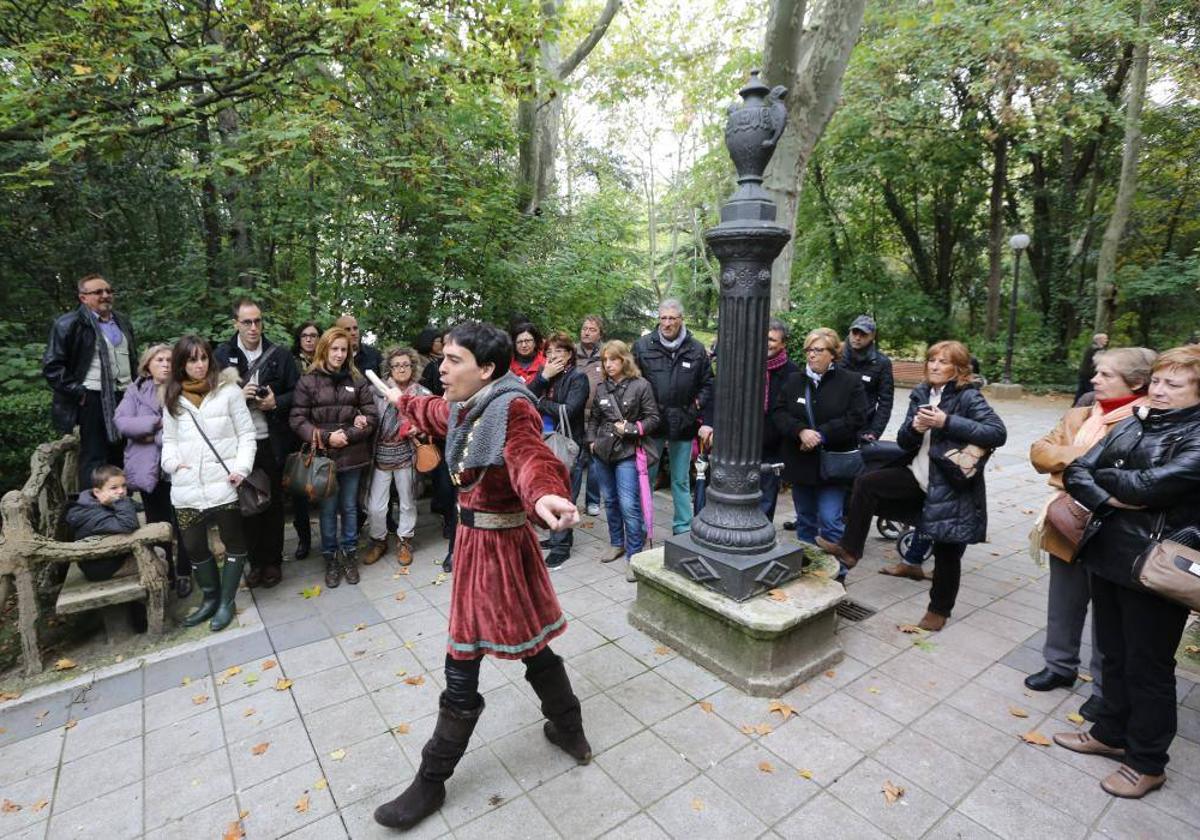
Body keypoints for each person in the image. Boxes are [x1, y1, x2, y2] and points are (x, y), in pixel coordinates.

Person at [372, 321, 588, 831]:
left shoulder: (511, 408)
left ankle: (431, 780)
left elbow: (530, 457)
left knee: (461, 661)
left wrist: (545, 495)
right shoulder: (472, 405)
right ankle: (571, 730)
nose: (440, 369)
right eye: (441, 358)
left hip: (495, 550)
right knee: (535, 646)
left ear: (486, 368)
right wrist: (403, 401)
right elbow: (435, 411)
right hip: (483, 547)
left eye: (452, 360)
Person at [1053, 345, 1200, 799]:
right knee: (1112, 654)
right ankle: (1109, 731)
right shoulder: (1137, 420)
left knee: (1148, 666)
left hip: (1156, 565)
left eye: (1173, 384)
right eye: (1156, 380)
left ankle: (1147, 761)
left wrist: (1113, 483)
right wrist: (1115, 494)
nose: (1158, 390)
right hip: (1109, 551)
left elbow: (1152, 486)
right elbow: (1078, 470)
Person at [818, 341, 1007, 630]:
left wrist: (946, 421)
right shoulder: (921, 393)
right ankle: (850, 549)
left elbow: (997, 432)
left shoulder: (968, 396)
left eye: (943, 362)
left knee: (947, 551)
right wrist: (915, 430)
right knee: (867, 483)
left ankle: (939, 611)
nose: (934, 366)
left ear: (958, 368)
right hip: (917, 475)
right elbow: (906, 441)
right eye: (932, 360)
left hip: (949, 483)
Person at [1025, 347, 1155, 722]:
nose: (1094, 380)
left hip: (1114, 529)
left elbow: (1124, 476)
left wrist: (1069, 461)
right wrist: (1087, 455)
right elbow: (1039, 454)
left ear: (1136, 382)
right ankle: (1059, 665)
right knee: (1063, 599)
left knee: (1109, 614)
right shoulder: (1082, 412)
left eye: (1105, 375)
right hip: (1066, 519)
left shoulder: (1148, 419)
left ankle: (1104, 688)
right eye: (1097, 373)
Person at [161, 335, 256, 632]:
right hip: (186, 486)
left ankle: (226, 602)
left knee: (234, 543)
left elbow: (246, 435)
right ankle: (209, 600)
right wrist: (172, 464)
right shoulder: (172, 398)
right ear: (181, 364)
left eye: (203, 358)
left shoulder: (228, 392)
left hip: (223, 482)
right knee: (193, 547)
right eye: (192, 359)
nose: (199, 365)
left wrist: (241, 468)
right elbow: (168, 440)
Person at [214, 299, 299, 588]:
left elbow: (297, 394)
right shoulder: (222, 356)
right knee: (245, 505)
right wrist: (239, 396)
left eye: (258, 321)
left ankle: (273, 562)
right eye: (247, 322)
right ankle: (256, 563)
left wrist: (276, 402)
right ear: (236, 323)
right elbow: (211, 400)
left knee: (273, 504)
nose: (253, 327)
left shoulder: (281, 355)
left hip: (270, 441)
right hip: (236, 445)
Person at [772, 328, 867, 580]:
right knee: (805, 519)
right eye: (809, 350)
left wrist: (821, 434)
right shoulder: (794, 380)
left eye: (818, 350)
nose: (812, 355)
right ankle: (809, 569)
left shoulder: (850, 381)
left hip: (833, 464)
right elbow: (779, 413)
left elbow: (856, 417)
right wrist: (801, 431)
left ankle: (839, 573)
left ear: (833, 354)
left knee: (831, 519)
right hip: (801, 463)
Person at [289, 327, 378, 588]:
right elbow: (297, 419)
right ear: (324, 349)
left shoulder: (357, 379)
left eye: (344, 349)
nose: (339, 354)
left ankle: (350, 553)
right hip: (324, 459)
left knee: (349, 507)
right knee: (327, 510)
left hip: (352, 455)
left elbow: (371, 417)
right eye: (335, 349)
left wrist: (350, 434)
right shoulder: (308, 381)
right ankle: (331, 556)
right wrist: (327, 438)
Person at [43, 273, 138, 489]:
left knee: (121, 450)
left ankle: (121, 499)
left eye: (108, 291)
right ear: (83, 297)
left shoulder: (122, 321)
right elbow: (52, 366)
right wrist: (79, 392)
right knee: (94, 453)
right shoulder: (68, 324)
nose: (105, 295)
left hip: (124, 394)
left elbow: (132, 360)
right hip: (91, 397)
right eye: (98, 292)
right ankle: (93, 506)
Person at [114, 343, 192, 597]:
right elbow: (122, 422)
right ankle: (165, 571)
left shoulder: (183, 388)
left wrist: (152, 436)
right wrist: (156, 423)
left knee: (184, 522)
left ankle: (184, 573)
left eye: (170, 360)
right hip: (148, 470)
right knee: (158, 523)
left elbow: (185, 429)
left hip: (178, 466)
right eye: (159, 360)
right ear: (148, 365)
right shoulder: (135, 391)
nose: (166, 364)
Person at [633, 299, 714, 535]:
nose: (667, 323)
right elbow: (632, 380)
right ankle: (640, 526)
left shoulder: (696, 349)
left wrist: (696, 406)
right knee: (646, 476)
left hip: (684, 422)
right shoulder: (643, 346)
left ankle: (683, 529)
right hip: (652, 422)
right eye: (663, 318)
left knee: (680, 480)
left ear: (681, 319)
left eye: (672, 318)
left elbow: (708, 384)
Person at [587, 340, 660, 582]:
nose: (608, 364)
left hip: (629, 452)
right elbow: (594, 419)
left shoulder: (641, 386)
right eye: (605, 360)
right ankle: (616, 542)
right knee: (610, 500)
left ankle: (634, 555)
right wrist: (591, 442)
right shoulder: (601, 388)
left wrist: (632, 428)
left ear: (624, 360)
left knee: (629, 504)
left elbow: (653, 418)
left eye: (613, 359)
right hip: (603, 452)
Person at [363, 347, 430, 568]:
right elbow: (364, 413)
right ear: (389, 368)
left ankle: (404, 540)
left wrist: (419, 429)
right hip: (380, 453)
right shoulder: (375, 391)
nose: (401, 369)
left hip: (407, 454)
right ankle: (379, 540)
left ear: (413, 366)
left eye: (406, 364)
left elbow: (433, 421)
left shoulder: (422, 393)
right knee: (375, 506)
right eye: (396, 365)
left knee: (408, 502)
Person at [530, 331, 590, 569]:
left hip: (567, 444)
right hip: (543, 443)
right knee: (551, 492)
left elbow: (570, 410)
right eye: (549, 352)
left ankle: (561, 547)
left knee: (565, 494)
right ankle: (558, 538)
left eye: (559, 351)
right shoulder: (547, 376)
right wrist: (543, 377)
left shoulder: (578, 378)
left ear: (569, 355)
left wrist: (541, 403)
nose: (553, 356)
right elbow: (525, 395)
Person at [66, 465, 140, 581]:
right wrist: (121, 502)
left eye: (124, 486)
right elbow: (129, 525)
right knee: (158, 560)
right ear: (97, 492)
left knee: (157, 551)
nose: (121, 491)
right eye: (114, 487)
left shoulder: (104, 502)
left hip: (113, 556)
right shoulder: (91, 514)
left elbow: (136, 506)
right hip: (102, 566)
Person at [761, 319, 799, 520]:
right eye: (765, 338)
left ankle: (762, 531)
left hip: (775, 443)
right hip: (748, 440)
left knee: (767, 492)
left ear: (783, 344)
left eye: (772, 340)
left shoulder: (792, 372)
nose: (767, 343)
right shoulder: (749, 364)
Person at [289, 321, 322, 560]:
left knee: (328, 484)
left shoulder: (329, 360)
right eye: (305, 336)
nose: (309, 339)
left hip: (327, 430)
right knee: (300, 488)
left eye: (314, 335)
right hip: (299, 432)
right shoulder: (291, 363)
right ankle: (304, 539)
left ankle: (332, 539)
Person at [841, 315, 894, 444]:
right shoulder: (836, 356)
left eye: (863, 334)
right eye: (855, 332)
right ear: (850, 332)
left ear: (872, 336)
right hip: (834, 426)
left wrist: (874, 432)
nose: (857, 338)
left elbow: (886, 402)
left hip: (863, 429)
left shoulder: (882, 363)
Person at [576, 315, 605, 516]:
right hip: (575, 416)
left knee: (596, 462)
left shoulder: (605, 355)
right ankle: (570, 500)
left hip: (598, 417)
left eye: (592, 329)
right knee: (576, 460)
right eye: (584, 328)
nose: (586, 332)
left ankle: (593, 501)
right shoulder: (572, 353)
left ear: (600, 334)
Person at [335, 313, 384, 384]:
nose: (353, 333)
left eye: (355, 328)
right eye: (348, 330)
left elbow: (386, 380)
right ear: (338, 333)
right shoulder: (333, 357)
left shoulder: (374, 355)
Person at [1074, 333, 1110, 406]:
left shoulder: (1091, 348)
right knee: (1092, 391)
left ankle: (1076, 405)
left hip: (1084, 373)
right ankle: (1093, 406)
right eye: (1105, 339)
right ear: (1099, 340)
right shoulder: (1097, 349)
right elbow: (1100, 361)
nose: (1107, 340)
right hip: (1090, 374)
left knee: (1081, 390)